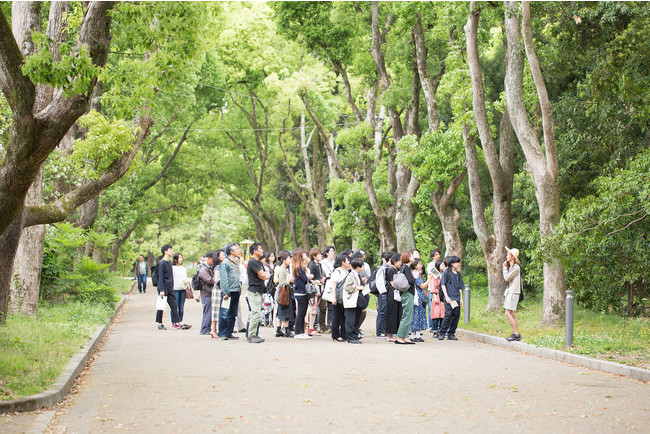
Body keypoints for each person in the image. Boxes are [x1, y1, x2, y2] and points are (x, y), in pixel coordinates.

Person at [155, 244, 190, 330]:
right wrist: (161, 290)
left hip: (170, 288)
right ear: (165, 252)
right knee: (161, 306)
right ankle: (160, 323)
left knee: (174, 306)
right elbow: (160, 277)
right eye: (170, 249)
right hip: (163, 288)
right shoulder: (161, 263)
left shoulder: (169, 262)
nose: (171, 251)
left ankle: (179, 322)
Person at [245, 243, 269, 343]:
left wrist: (264, 275)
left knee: (258, 314)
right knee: (255, 313)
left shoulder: (258, 262)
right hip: (253, 291)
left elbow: (263, 276)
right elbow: (263, 275)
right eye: (260, 248)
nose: (262, 250)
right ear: (255, 251)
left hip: (259, 291)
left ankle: (255, 334)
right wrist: (264, 275)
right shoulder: (252, 262)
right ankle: (251, 335)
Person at [218, 243, 242, 340]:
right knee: (224, 312)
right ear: (231, 251)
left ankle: (229, 332)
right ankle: (223, 333)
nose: (239, 250)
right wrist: (226, 292)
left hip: (236, 290)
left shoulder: (235, 262)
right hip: (229, 291)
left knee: (233, 312)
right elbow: (224, 279)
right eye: (237, 249)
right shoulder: (225, 264)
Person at [438, 256, 464, 341]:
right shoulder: (446, 272)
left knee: (456, 316)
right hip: (449, 298)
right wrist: (446, 296)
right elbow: (443, 285)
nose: (458, 264)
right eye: (457, 262)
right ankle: (442, 333)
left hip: (456, 298)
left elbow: (460, 287)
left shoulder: (458, 274)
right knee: (448, 315)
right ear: (452, 263)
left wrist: (461, 299)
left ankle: (451, 333)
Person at [292, 248, 314, 340]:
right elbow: (305, 279)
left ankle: (301, 331)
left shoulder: (300, 266)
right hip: (300, 293)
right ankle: (297, 332)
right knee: (301, 313)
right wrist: (309, 277)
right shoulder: (298, 267)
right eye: (304, 254)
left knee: (303, 312)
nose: (305, 255)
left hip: (302, 292)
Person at [328, 254, 351, 342]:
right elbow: (334, 285)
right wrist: (334, 298)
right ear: (343, 262)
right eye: (347, 260)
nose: (349, 262)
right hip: (338, 297)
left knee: (343, 316)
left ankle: (343, 334)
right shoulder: (337, 272)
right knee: (336, 316)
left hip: (343, 297)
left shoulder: (345, 271)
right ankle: (335, 335)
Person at [343, 258, 365, 344]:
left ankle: (355, 335)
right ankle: (350, 337)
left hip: (357, 300)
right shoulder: (351, 275)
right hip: (351, 300)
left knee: (357, 318)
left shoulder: (357, 274)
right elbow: (347, 287)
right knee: (350, 319)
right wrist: (357, 288)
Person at [395, 251, 416, 345]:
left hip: (406, 293)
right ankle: (399, 336)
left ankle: (405, 336)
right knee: (407, 315)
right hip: (407, 293)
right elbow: (410, 281)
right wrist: (415, 276)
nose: (413, 257)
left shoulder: (404, 267)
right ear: (408, 257)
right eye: (411, 255)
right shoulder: (406, 268)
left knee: (409, 316)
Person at [503, 247, 522, 342]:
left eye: (508, 255)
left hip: (513, 292)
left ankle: (516, 334)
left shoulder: (516, 268)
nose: (507, 256)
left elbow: (506, 278)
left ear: (513, 257)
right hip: (511, 291)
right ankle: (516, 333)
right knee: (512, 313)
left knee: (507, 313)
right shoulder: (512, 267)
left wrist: (504, 268)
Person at [274, 251, 294, 338]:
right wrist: (290, 280)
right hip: (284, 291)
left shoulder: (283, 269)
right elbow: (282, 282)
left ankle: (279, 330)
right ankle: (286, 330)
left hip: (282, 291)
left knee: (281, 310)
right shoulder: (282, 269)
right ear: (284, 260)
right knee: (285, 309)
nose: (290, 260)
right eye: (289, 259)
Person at [374, 251, 393, 338]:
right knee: (382, 312)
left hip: (387, 293)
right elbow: (379, 282)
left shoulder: (389, 268)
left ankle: (384, 331)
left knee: (386, 312)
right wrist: (383, 291)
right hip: (383, 293)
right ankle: (379, 331)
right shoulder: (382, 268)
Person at [410, 259, 429, 342]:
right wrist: (430, 279)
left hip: (420, 298)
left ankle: (417, 335)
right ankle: (413, 335)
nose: (421, 266)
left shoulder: (418, 274)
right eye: (419, 264)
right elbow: (423, 286)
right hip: (417, 298)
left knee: (419, 315)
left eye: (421, 264)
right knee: (416, 315)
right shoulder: (415, 274)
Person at [307, 248, 324, 337]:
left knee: (315, 309)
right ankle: (310, 328)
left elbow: (320, 276)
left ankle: (311, 327)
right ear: (314, 256)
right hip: (313, 289)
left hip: (319, 289)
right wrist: (317, 281)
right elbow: (310, 279)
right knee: (313, 309)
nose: (321, 255)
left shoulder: (319, 265)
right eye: (319, 254)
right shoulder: (311, 265)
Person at [385, 253, 402, 342]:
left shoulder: (396, 270)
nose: (400, 263)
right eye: (399, 262)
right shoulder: (391, 270)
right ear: (394, 261)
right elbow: (392, 283)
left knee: (396, 314)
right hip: (392, 294)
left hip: (396, 293)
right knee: (391, 314)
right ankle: (389, 335)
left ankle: (394, 333)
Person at [198, 252, 215, 335]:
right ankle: (204, 329)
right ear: (208, 259)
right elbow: (209, 280)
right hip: (206, 293)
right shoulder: (203, 269)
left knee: (209, 311)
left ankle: (207, 328)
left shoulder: (207, 268)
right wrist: (216, 279)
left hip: (208, 292)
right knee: (207, 312)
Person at [320, 246, 336, 332]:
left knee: (331, 306)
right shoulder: (322, 263)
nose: (333, 253)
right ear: (327, 253)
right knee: (322, 307)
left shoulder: (334, 263)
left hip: (331, 285)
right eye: (331, 251)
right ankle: (321, 325)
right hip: (323, 285)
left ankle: (330, 323)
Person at [210, 249, 225, 339]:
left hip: (220, 290)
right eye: (222, 255)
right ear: (218, 257)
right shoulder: (218, 267)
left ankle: (215, 329)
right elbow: (216, 280)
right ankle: (213, 330)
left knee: (218, 311)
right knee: (215, 311)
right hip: (218, 290)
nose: (224, 256)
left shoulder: (222, 266)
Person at [172, 253, 190, 323]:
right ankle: (174, 322)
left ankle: (180, 321)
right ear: (175, 259)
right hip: (175, 289)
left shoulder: (183, 269)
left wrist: (186, 281)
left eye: (182, 257)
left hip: (182, 289)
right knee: (175, 307)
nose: (181, 259)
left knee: (181, 307)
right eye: (179, 258)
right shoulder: (172, 268)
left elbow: (185, 278)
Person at [429, 260, 446, 337]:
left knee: (443, 313)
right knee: (436, 314)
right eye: (441, 264)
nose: (443, 266)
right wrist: (435, 296)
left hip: (443, 295)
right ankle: (435, 330)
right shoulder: (435, 275)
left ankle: (441, 330)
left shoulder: (445, 274)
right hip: (437, 295)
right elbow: (433, 285)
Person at [426, 250, 441, 331]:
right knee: (431, 308)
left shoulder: (441, 264)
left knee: (440, 308)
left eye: (439, 254)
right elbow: (434, 274)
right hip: (431, 288)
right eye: (436, 255)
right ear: (433, 256)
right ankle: (431, 326)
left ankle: (438, 326)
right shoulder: (430, 265)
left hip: (439, 289)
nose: (438, 256)